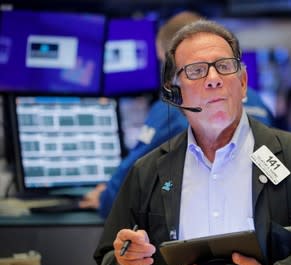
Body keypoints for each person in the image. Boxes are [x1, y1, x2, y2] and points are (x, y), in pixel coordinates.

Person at [94, 20, 291, 265]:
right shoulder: (148, 172)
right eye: (196, 70)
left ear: (243, 83)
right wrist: (129, 264)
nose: (213, 78)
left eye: (224, 66)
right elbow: (110, 258)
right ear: (175, 93)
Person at [79, 12, 274, 218]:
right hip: (261, 210)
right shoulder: (257, 99)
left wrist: (104, 200)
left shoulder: (173, 105)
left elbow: (132, 171)